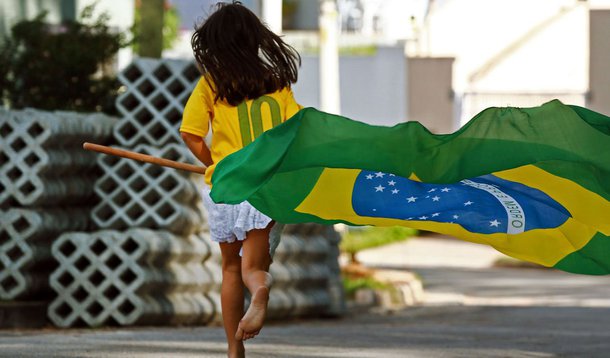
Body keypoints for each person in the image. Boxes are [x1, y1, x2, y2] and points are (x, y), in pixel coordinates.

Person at [179, 2, 302, 357]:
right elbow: (295, 132)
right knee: (254, 266)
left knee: (230, 268)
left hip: (228, 187)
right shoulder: (276, 83)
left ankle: (235, 351)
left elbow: (190, 134)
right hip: (265, 187)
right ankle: (260, 290)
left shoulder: (211, 84)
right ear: (254, 40)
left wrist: (214, 164)